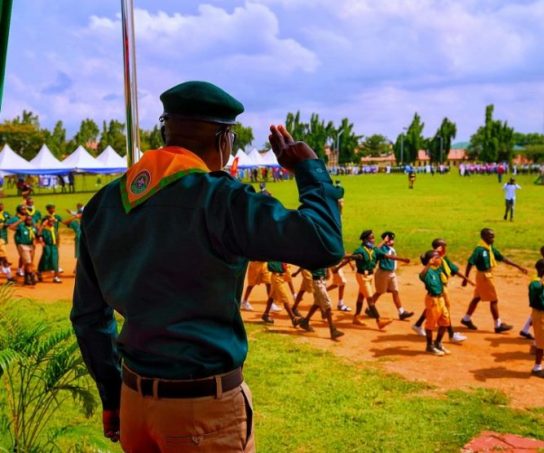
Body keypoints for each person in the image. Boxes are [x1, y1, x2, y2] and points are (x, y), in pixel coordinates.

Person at [71, 81, 343, 451]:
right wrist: (309, 169)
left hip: (134, 401)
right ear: (224, 141)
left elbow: (89, 316)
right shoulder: (221, 199)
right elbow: (323, 242)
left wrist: (111, 391)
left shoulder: (104, 203)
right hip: (201, 412)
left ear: (164, 130)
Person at [460, 228, 528, 333]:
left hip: (487, 275)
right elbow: (470, 262)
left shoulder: (489, 248)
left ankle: (466, 319)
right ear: (483, 237)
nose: (493, 239)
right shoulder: (480, 249)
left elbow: (502, 258)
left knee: (477, 298)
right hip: (484, 276)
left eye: (493, 236)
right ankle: (498, 325)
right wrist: (466, 278)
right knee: (494, 300)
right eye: (490, 236)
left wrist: (518, 266)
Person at [412, 238, 472, 343]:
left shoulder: (444, 259)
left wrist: (466, 279)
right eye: (443, 246)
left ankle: (418, 324)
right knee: (444, 310)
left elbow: (454, 270)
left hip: (442, 287)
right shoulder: (434, 259)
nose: (445, 248)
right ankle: (451, 334)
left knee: (433, 307)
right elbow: (425, 270)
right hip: (441, 288)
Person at [371, 231, 413, 321]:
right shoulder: (383, 248)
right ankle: (370, 308)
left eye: (392, 239)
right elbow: (375, 250)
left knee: (395, 291)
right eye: (389, 239)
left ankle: (401, 312)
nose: (391, 241)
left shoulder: (392, 249)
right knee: (379, 292)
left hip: (392, 273)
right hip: (383, 273)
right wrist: (383, 241)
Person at [418, 250, 451, 355]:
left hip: (441, 299)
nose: (439, 258)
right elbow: (421, 276)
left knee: (445, 322)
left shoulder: (438, 269)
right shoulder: (428, 272)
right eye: (436, 257)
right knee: (430, 324)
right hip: (432, 299)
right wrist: (428, 264)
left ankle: (438, 343)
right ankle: (429, 346)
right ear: (431, 260)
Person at [297, 267, 344, 340]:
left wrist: (327, 270)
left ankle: (305, 322)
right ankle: (333, 330)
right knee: (327, 304)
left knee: (317, 303)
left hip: (321, 280)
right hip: (317, 281)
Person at [37, 217, 61, 283]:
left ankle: (56, 277)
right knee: (45, 260)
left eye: (53, 221)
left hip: (54, 246)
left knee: (55, 260)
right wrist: (43, 225)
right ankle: (39, 272)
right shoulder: (44, 229)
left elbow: (57, 235)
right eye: (50, 221)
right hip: (47, 246)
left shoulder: (54, 228)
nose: (52, 222)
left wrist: (58, 243)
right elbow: (38, 234)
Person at [0, 203, 15, 283]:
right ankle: (9, 277)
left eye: (2, 205)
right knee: (4, 258)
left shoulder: (6, 214)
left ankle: (9, 277)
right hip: (0, 240)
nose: (1, 207)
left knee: (3, 258)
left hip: (2, 238)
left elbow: (12, 220)